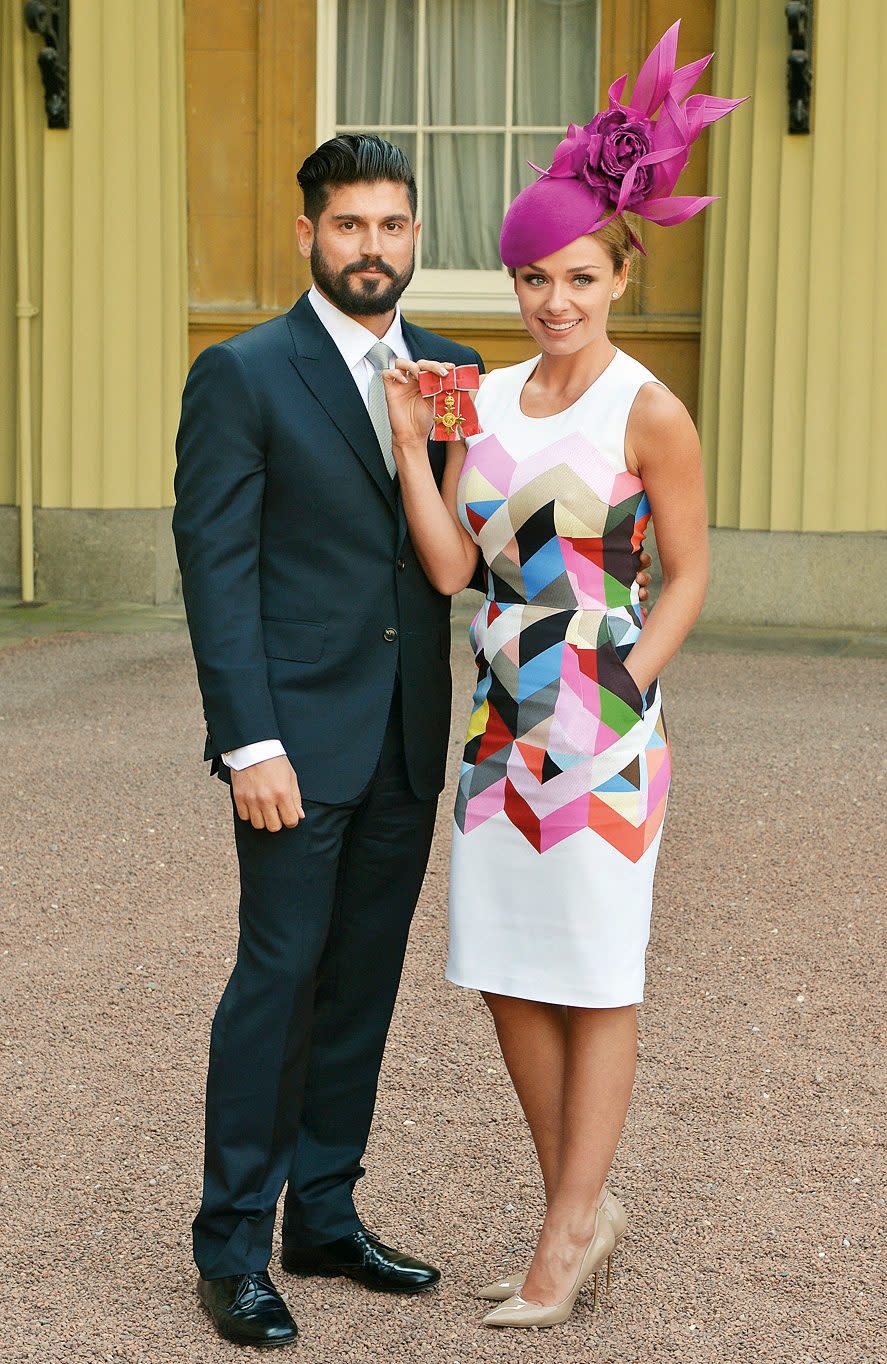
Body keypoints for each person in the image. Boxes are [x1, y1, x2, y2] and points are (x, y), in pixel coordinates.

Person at [172, 128, 659, 1348]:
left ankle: (324, 1212)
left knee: (362, 988)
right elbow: (215, 570)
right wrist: (248, 742)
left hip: (414, 738)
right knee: (276, 983)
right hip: (291, 745)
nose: (371, 247)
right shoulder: (242, 373)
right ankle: (231, 1243)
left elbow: (471, 547)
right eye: (348, 225)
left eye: (391, 225)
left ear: (415, 239)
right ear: (308, 236)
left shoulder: (455, 374)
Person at [381, 21, 746, 1330]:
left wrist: (631, 683)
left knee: (595, 974)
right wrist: (414, 446)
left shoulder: (648, 410)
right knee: (502, 970)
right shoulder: (476, 398)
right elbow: (446, 572)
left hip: (603, 722)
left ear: (616, 274)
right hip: (493, 726)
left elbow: (691, 571)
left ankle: (558, 1237)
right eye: (532, 277)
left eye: (577, 276)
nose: (553, 300)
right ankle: (580, 1212)